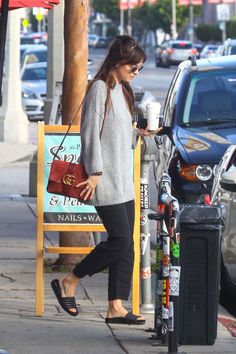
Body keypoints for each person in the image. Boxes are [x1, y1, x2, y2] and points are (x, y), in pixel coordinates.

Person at [51, 35, 162, 325]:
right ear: (117, 62)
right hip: (105, 179)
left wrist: (141, 133)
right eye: (132, 67)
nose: (135, 73)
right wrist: (96, 172)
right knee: (120, 239)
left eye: (138, 69)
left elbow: (119, 132)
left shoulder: (121, 90)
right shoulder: (99, 88)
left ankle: (116, 306)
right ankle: (70, 281)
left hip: (123, 179)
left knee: (127, 245)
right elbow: (89, 133)